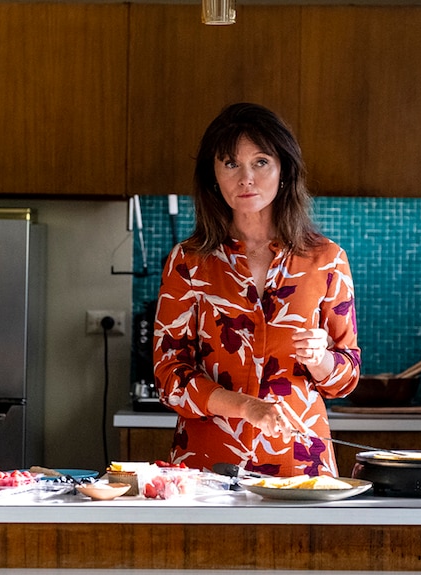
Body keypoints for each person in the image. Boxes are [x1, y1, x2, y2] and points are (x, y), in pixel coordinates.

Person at [153, 102, 361, 477]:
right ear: (213, 175)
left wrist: (319, 358)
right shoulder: (188, 262)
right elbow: (169, 377)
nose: (246, 178)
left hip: (300, 465)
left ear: (284, 170)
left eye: (261, 161)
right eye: (231, 164)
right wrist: (247, 407)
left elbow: (346, 377)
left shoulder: (326, 260)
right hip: (208, 469)